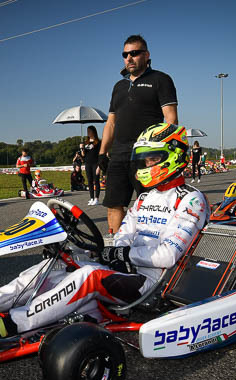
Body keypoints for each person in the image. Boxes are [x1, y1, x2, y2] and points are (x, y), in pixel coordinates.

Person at [0, 123, 208, 338]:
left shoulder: (190, 199)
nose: (146, 164)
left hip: (151, 284)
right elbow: (124, 235)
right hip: (126, 269)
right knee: (59, 262)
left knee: (89, 277)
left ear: (174, 155)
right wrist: (114, 252)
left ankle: (9, 326)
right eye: (144, 159)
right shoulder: (145, 197)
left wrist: (123, 255)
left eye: (152, 158)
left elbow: (168, 255)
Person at [98, 34, 178, 235]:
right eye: (125, 54)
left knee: (152, 206)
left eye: (134, 53)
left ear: (146, 55)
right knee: (114, 205)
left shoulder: (161, 80)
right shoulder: (119, 86)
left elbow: (171, 119)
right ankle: (117, 249)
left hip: (147, 155)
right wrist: (102, 152)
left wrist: (163, 152)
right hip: (118, 155)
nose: (129, 58)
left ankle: (149, 252)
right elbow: (111, 122)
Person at [84, 125, 102, 205]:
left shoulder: (98, 142)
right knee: (90, 181)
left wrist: (99, 166)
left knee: (96, 181)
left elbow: (100, 154)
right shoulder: (86, 143)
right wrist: (82, 148)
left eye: (89, 131)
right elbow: (83, 155)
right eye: (87, 131)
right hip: (87, 164)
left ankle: (96, 198)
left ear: (93, 132)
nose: (88, 133)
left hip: (95, 163)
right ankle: (91, 198)